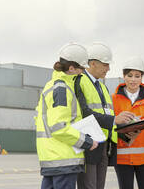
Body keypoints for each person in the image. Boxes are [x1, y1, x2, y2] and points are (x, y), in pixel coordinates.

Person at [35, 42, 99, 189]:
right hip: (63, 159)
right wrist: (87, 142)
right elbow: (59, 127)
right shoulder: (62, 89)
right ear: (71, 68)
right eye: (81, 68)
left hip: (53, 157)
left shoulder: (52, 85)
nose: (83, 72)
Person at [75, 42, 135, 189]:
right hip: (88, 146)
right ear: (93, 63)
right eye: (106, 64)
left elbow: (107, 115)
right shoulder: (79, 81)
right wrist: (115, 119)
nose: (108, 68)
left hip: (103, 146)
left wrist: (124, 134)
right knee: (88, 186)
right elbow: (84, 113)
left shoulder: (102, 86)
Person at [112, 56, 144, 189]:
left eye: (137, 76)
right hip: (122, 157)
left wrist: (136, 122)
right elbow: (109, 123)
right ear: (124, 76)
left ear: (142, 77)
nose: (133, 80)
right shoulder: (113, 99)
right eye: (130, 75)